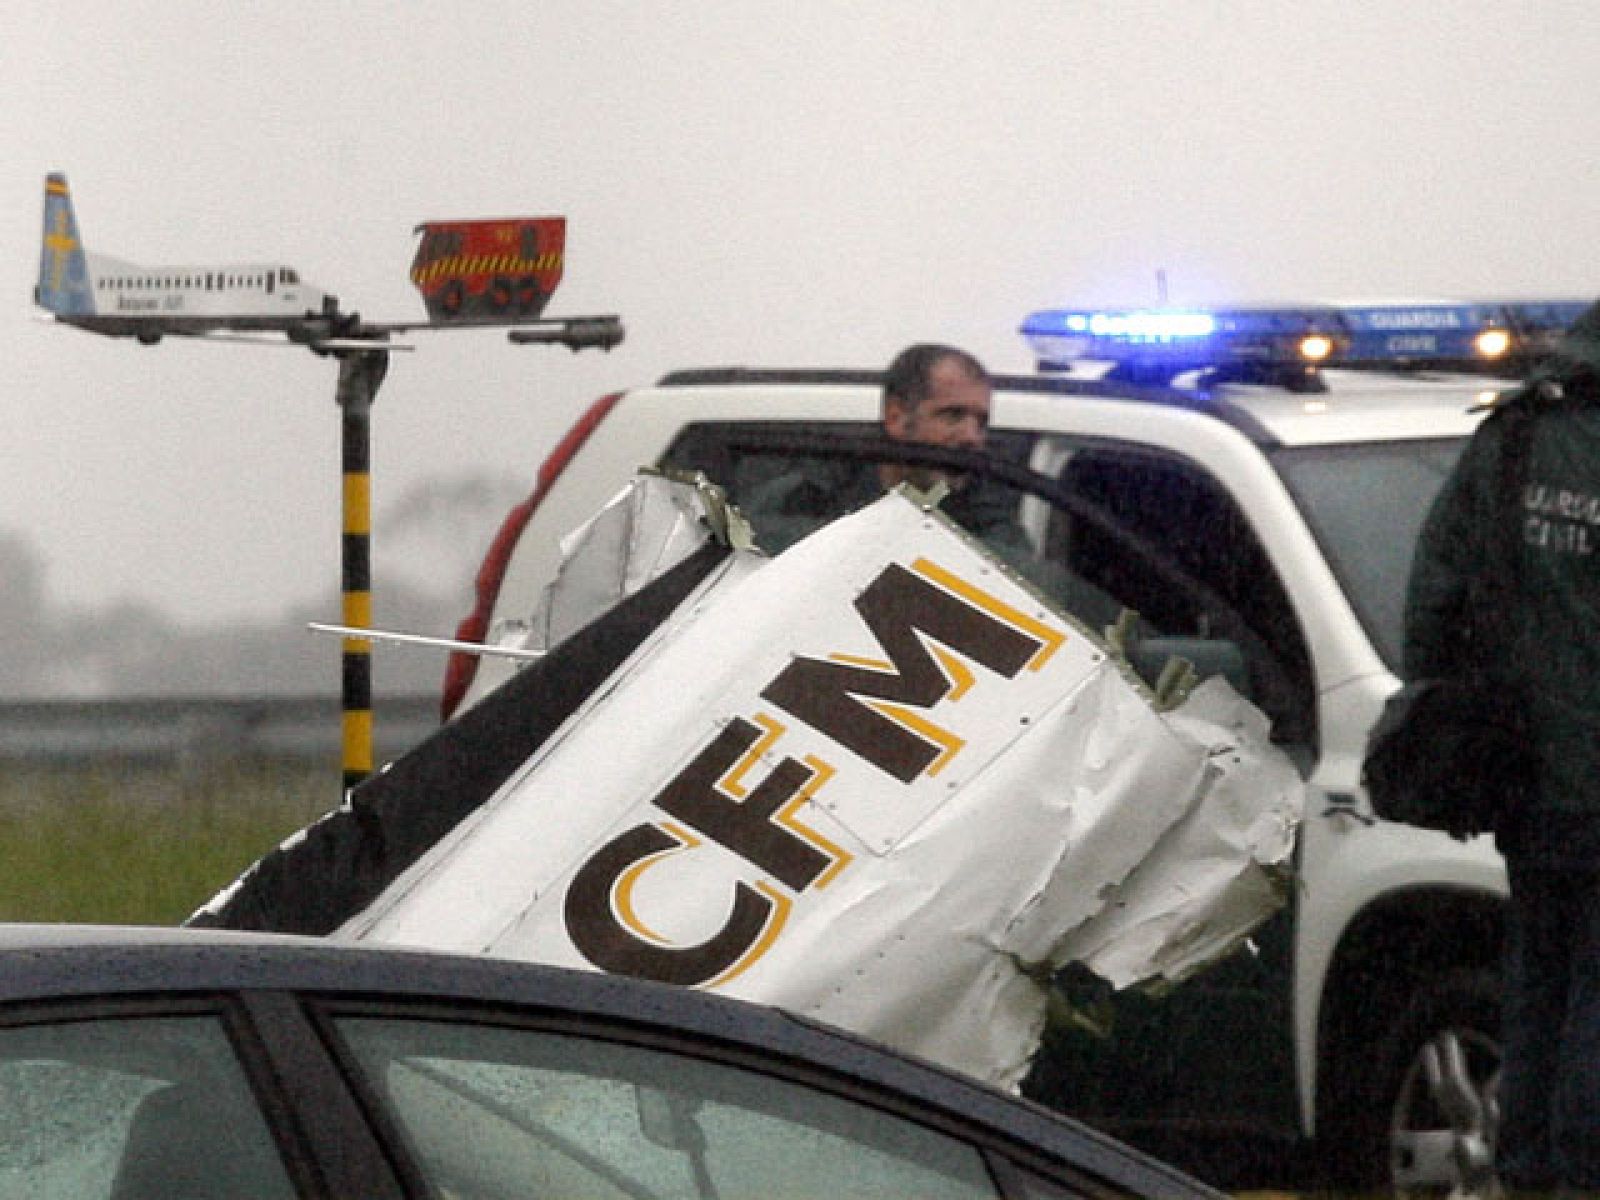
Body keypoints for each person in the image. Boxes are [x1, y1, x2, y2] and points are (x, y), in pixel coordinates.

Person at [1404, 298, 1600, 1194]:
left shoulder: (1513, 437)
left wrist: (1454, 724)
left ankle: (1526, 1175)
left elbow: (1433, 598)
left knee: (1540, 989)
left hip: (1528, 783)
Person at [743, 343, 1027, 555]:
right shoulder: (808, 498)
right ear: (896, 417)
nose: (972, 437)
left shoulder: (988, 517)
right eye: (953, 415)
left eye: (981, 422)